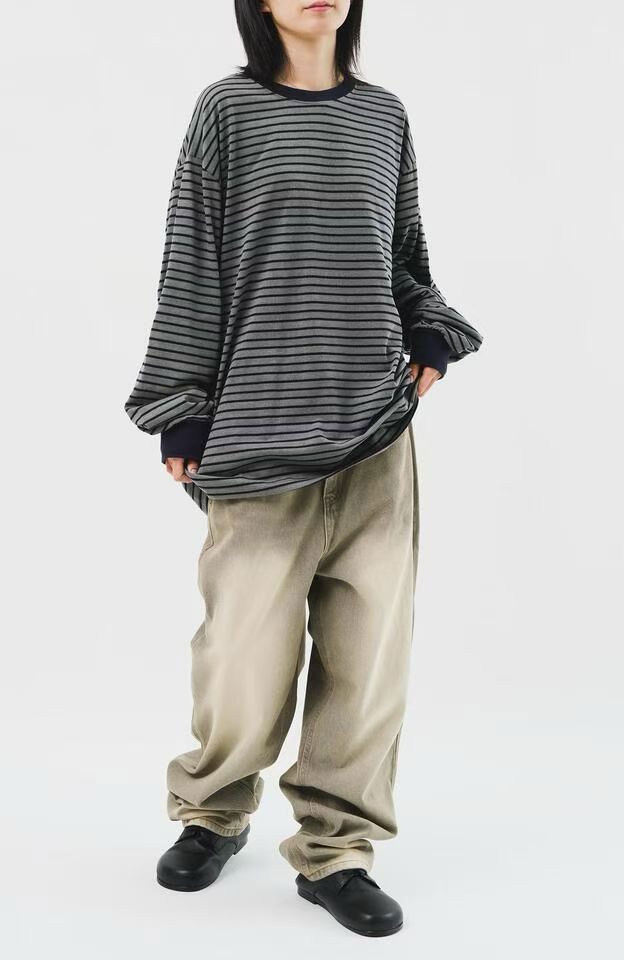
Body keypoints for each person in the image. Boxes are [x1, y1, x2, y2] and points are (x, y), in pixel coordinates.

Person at [124, 0, 483, 938]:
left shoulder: (384, 115)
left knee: (368, 660)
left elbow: (402, 257)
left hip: (375, 434)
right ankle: (213, 810)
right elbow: (193, 259)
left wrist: (430, 331)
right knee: (242, 655)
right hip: (257, 432)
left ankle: (338, 850)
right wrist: (181, 403)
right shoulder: (228, 110)